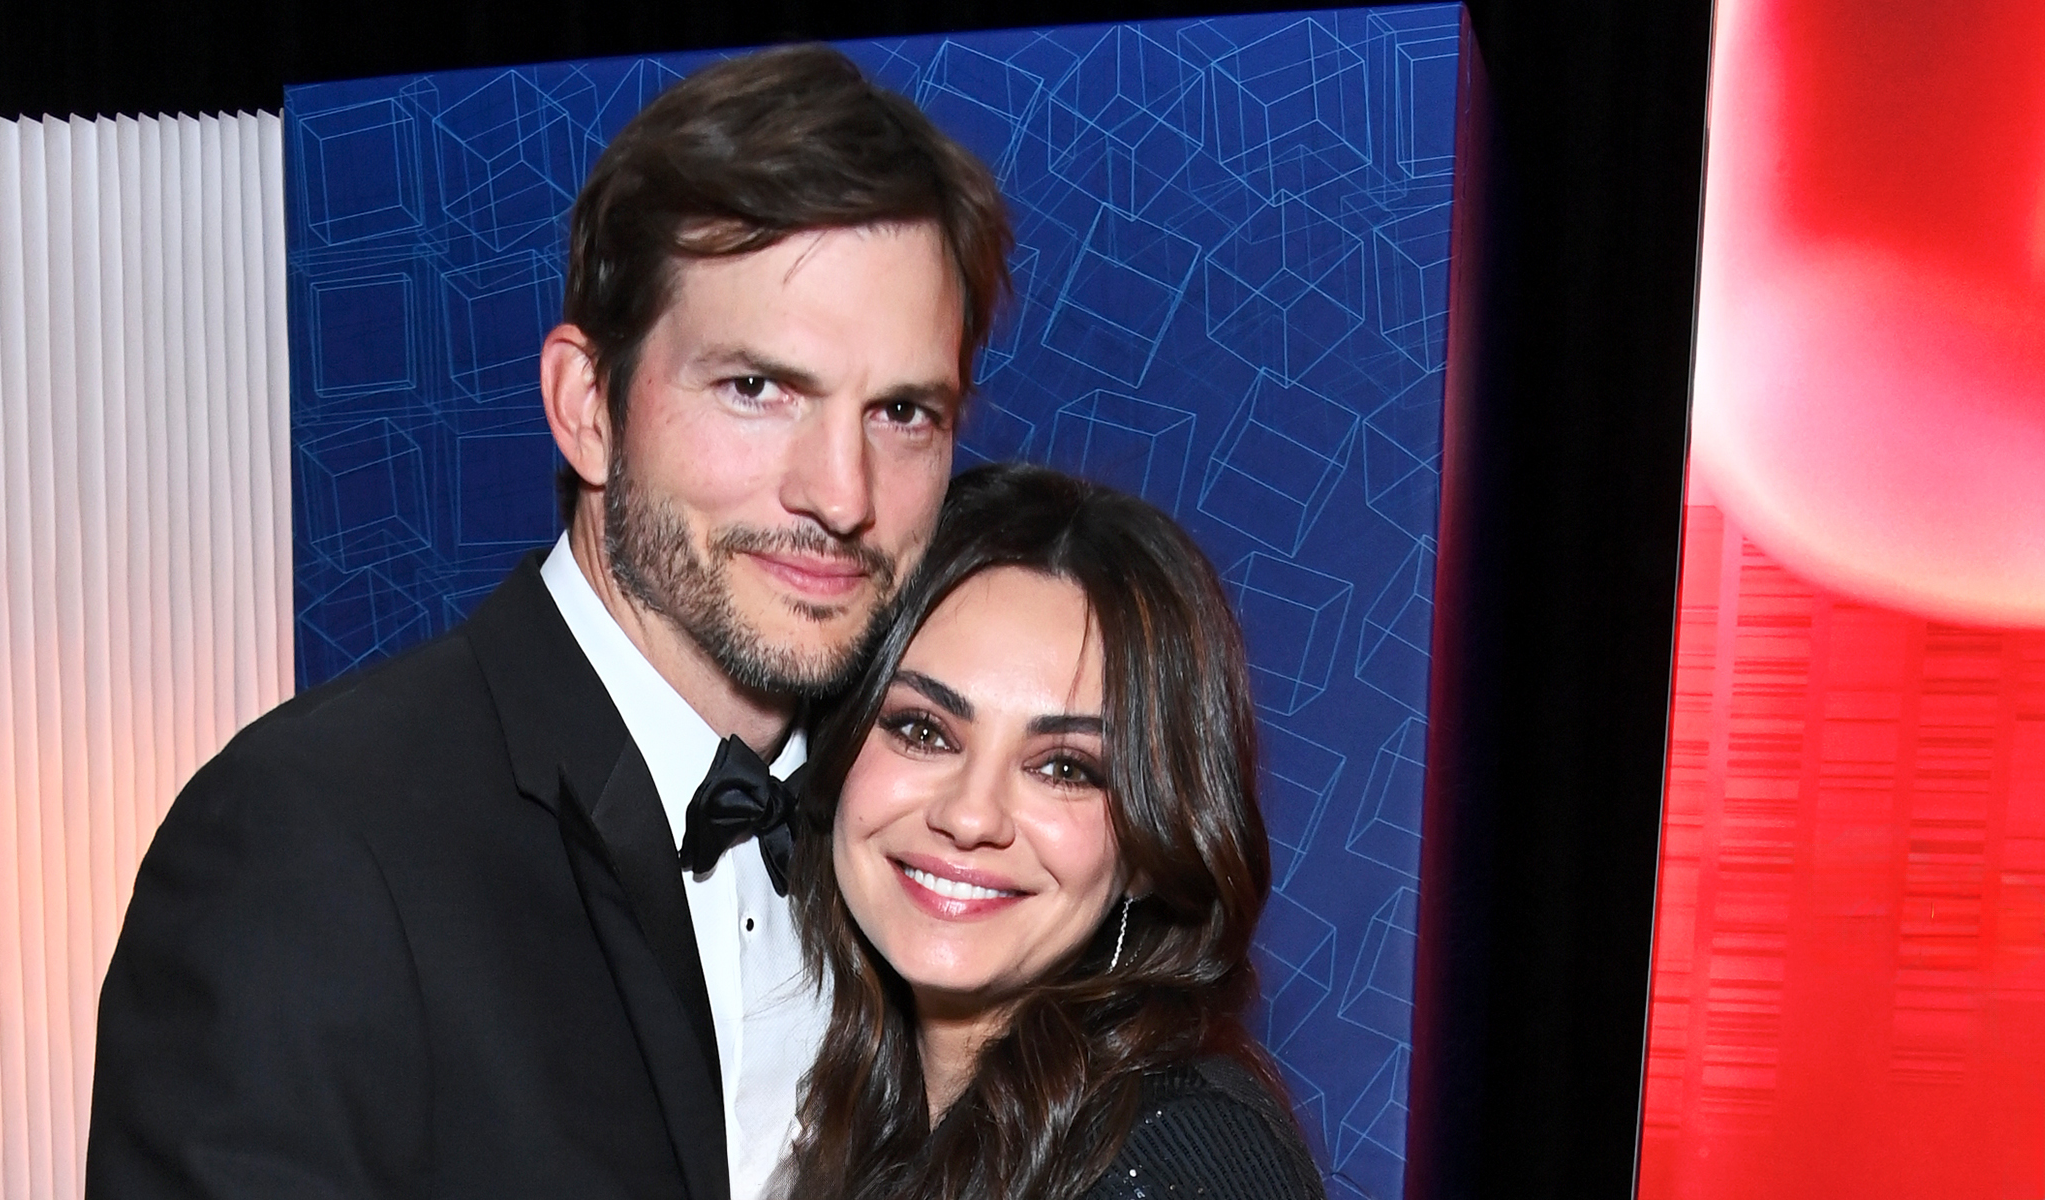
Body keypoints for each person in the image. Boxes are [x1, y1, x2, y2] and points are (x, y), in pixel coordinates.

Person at [86, 45, 1010, 1200]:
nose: (841, 493)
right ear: (588, 408)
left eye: (904, 412)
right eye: (757, 389)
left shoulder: (935, 848)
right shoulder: (311, 837)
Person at [779, 463, 1327, 1200]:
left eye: (1065, 768)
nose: (970, 815)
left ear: (1149, 847)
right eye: (922, 729)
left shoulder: (1177, 1158)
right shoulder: (837, 1104)